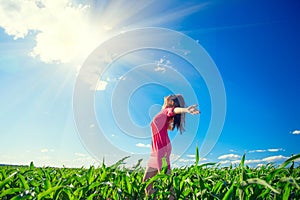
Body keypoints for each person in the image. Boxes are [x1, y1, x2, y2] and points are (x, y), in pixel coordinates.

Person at [142, 94, 200, 196]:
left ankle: (173, 197)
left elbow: (174, 110)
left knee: (167, 182)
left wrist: (186, 110)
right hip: (156, 150)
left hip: (161, 148)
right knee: (146, 183)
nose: (168, 95)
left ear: (172, 102)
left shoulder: (167, 111)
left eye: (172, 96)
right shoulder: (163, 113)